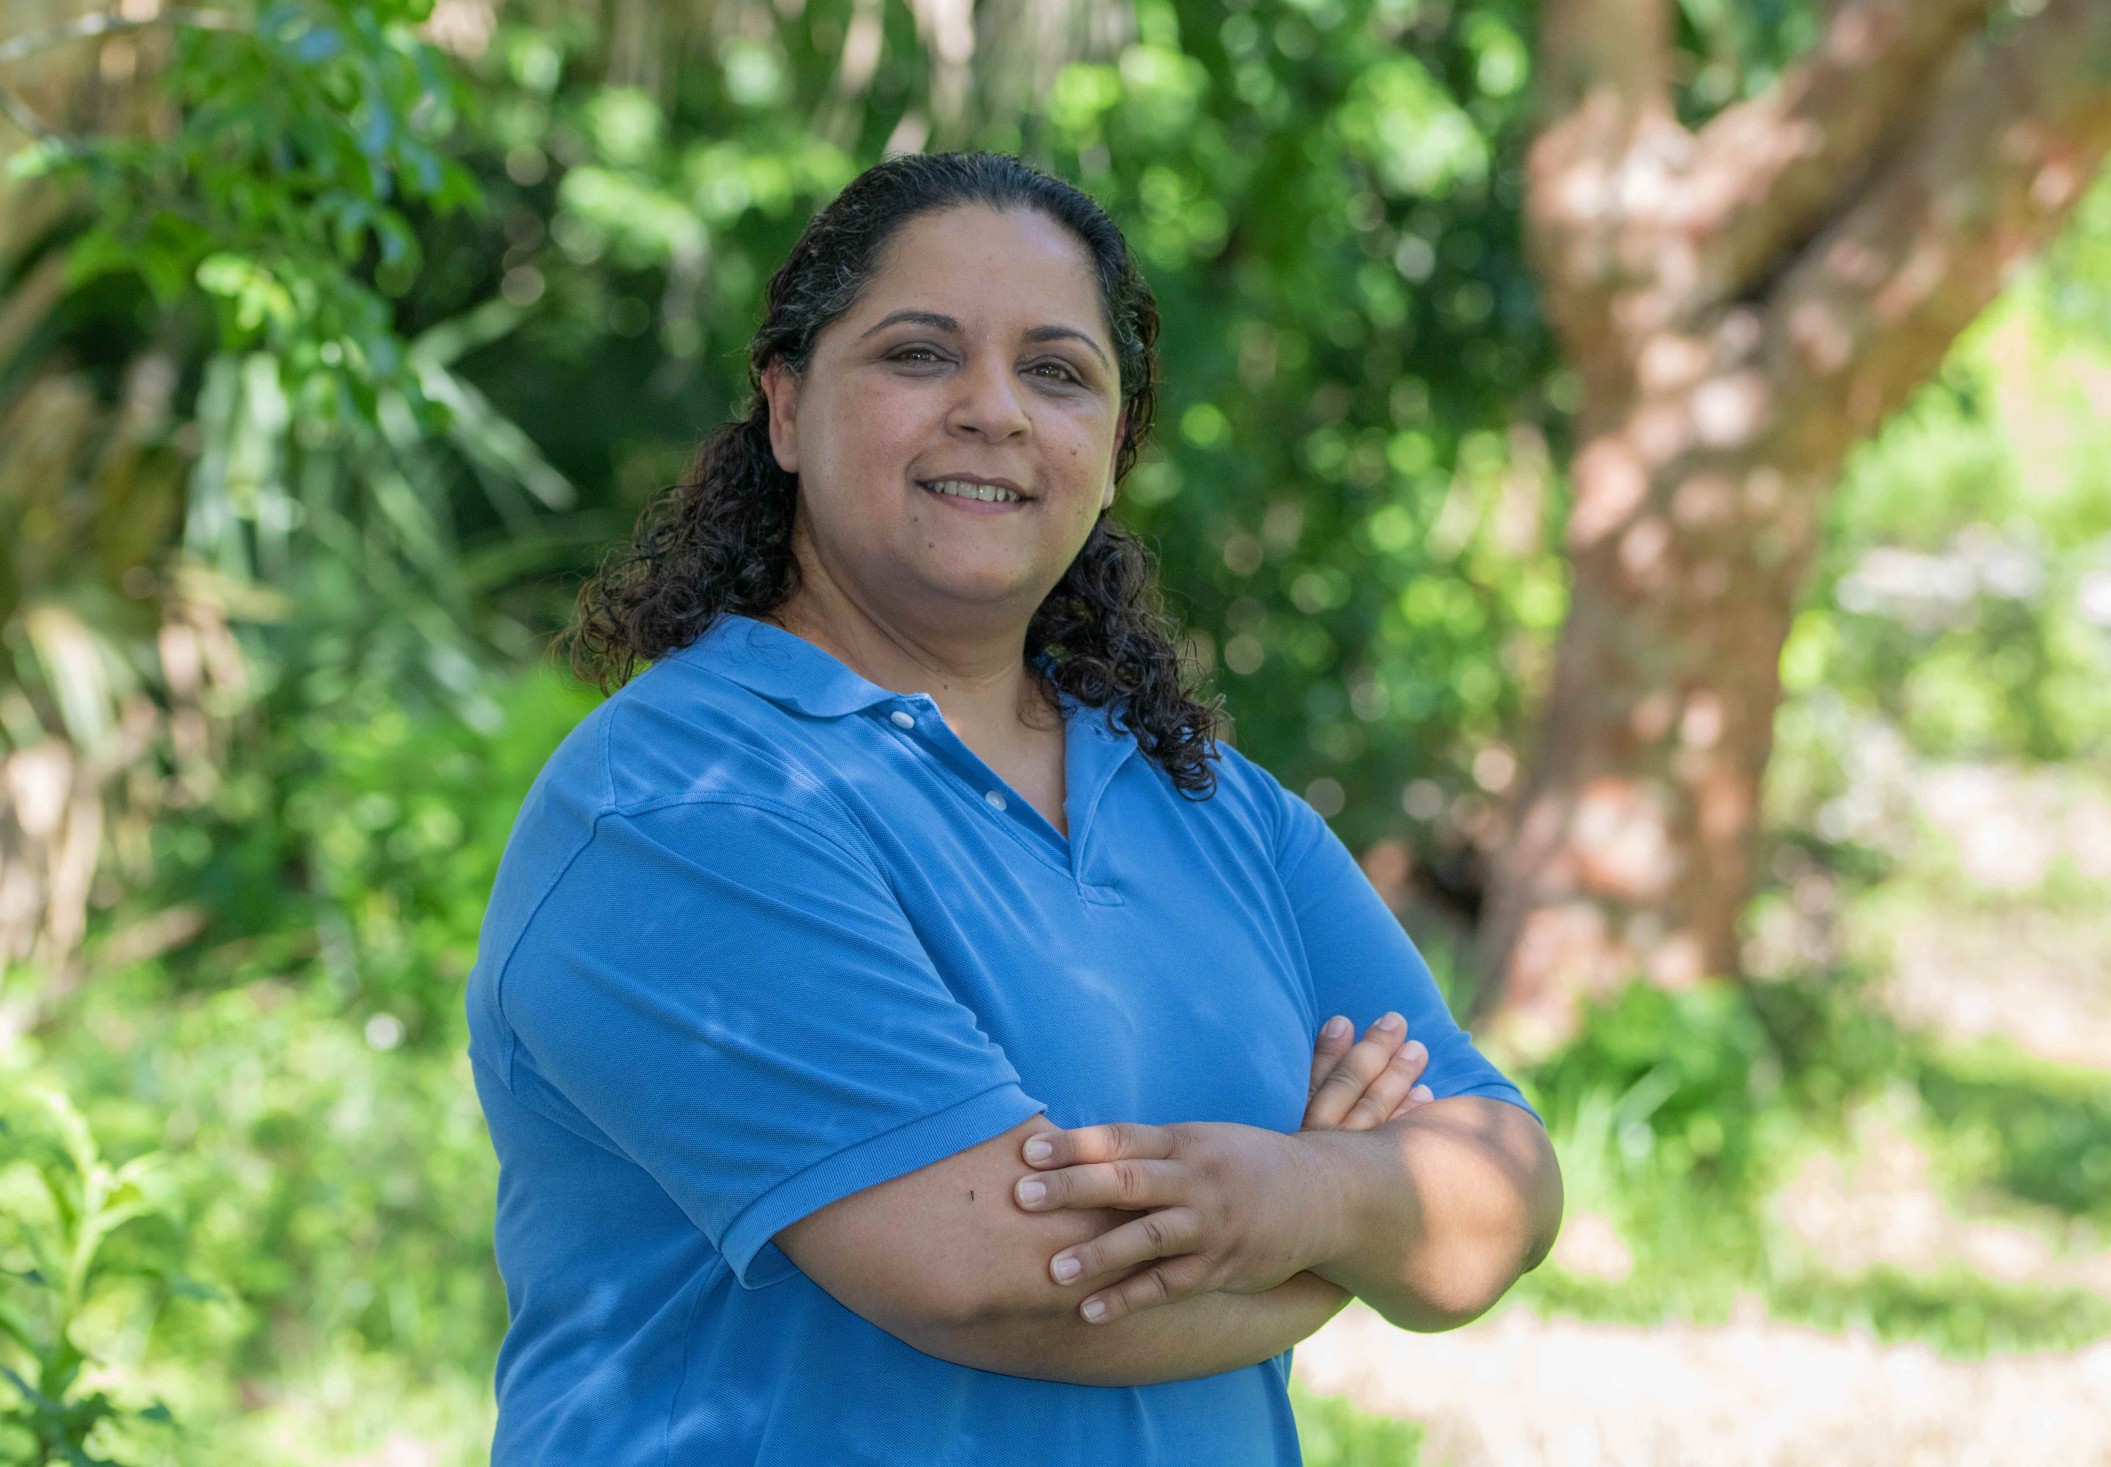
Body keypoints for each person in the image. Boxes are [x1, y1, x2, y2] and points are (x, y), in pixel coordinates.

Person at [464, 149, 1562, 1465]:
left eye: (1056, 371)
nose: (993, 409)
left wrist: (1302, 1193)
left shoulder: (1213, 806)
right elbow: (989, 1269)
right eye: (920, 354)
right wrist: (1339, 1241)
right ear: (786, 408)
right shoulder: (681, 805)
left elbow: (1505, 1186)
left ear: (1112, 451)